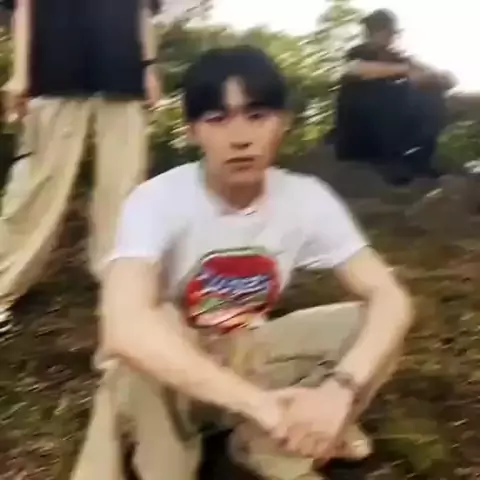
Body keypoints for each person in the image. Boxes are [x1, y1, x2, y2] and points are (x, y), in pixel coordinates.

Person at [70, 46, 413, 480]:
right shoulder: (158, 199)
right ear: (192, 131)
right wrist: (260, 405)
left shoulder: (306, 198)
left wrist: (339, 391)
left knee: (375, 321)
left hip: (246, 350)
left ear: (283, 123)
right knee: (157, 323)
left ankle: (270, 448)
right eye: (217, 119)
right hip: (166, 372)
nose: (240, 137)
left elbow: (389, 296)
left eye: (257, 116)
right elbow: (124, 327)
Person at [0, 0, 162, 334]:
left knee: (124, 193)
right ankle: (3, 286)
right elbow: (23, 6)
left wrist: (149, 66)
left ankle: (119, 290)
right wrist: (20, 73)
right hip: (54, 75)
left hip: (122, 78)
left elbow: (142, 9)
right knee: (36, 191)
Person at [335, 9, 456, 186]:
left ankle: (420, 160)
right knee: (385, 92)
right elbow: (356, 69)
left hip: (389, 125)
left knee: (430, 95)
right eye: (387, 32)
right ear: (376, 32)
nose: (390, 37)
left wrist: (437, 77)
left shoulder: (398, 57)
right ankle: (386, 160)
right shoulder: (359, 52)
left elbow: (437, 77)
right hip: (359, 131)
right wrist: (404, 70)